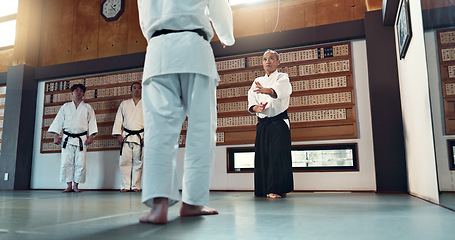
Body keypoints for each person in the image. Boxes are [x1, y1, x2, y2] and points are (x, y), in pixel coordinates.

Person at [137, 0, 235, 224]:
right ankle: (192, 202)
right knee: (201, 127)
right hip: (194, 47)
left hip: (158, 50)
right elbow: (219, 6)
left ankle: (159, 206)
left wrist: (159, 33)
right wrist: (227, 36)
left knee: (158, 131)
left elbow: (144, 17)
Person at [248, 49, 294, 199]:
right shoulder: (257, 81)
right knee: (263, 156)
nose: (268, 61)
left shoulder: (282, 77)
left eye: (271, 58)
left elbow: (278, 92)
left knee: (278, 155)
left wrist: (265, 90)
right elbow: (251, 102)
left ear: (278, 62)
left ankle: (280, 188)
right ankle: (266, 190)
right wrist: (257, 108)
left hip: (278, 122)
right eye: (265, 59)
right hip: (263, 122)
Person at [48, 84, 98, 193]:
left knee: (80, 163)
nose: (78, 92)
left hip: (82, 138)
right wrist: (56, 135)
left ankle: (76, 185)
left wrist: (91, 136)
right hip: (67, 138)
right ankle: (68, 185)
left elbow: (92, 122)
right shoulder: (65, 107)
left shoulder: (87, 107)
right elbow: (58, 121)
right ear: (72, 93)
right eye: (76, 90)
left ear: (83, 94)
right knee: (66, 162)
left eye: (80, 91)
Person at [112, 82, 144, 192]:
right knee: (124, 162)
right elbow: (118, 120)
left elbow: (150, 122)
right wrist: (118, 134)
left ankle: (136, 186)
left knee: (138, 163)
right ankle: (125, 186)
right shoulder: (124, 104)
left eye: (139, 88)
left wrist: (147, 136)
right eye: (134, 88)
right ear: (131, 91)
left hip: (140, 136)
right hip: (126, 136)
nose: (137, 90)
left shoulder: (146, 104)